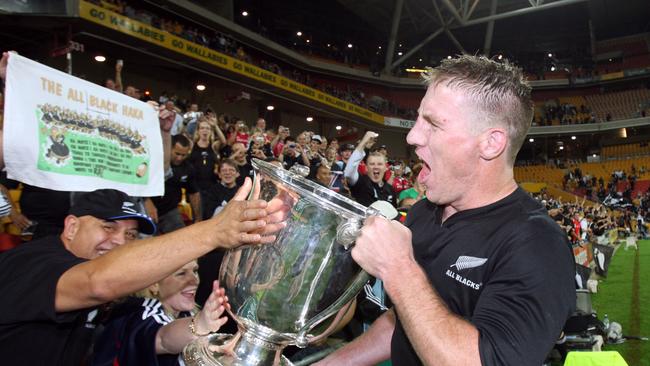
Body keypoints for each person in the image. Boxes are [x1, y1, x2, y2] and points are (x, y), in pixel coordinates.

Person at [316, 55, 575, 366]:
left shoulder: (537, 244)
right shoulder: (423, 213)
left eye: (433, 123)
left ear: (491, 144)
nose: (412, 136)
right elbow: (408, 319)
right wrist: (333, 363)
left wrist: (399, 269)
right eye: (417, 119)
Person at [0, 181, 284, 365]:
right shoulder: (37, 262)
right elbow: (97, 281)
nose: (120, 242)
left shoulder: (117, 303)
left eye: (131, 235)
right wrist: (214, 230)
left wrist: (200, 323)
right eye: (108, 227)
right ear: (72, 226)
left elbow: (159, 339)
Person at [92, 261, 229, 366]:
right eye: (181, 273)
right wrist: (199, 325)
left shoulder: (185, 314)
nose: (195, 280)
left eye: (195, 271)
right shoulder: (140, 314)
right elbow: (163, 339)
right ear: (154, 284)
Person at [344, 131, 396, 207]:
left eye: (380, 164)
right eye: (372, 164)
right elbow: (348, 172)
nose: (376, 166)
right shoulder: (361, 182)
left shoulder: (390, 190)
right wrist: (363, 142)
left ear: (386, 168)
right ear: (366, 168)